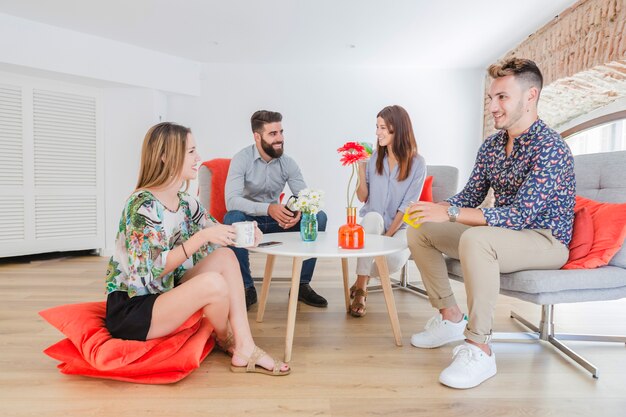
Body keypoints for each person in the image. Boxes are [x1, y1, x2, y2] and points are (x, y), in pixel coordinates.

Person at [406, 58, 575, 389]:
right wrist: (435, 208)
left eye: (502, 98)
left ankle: (480, 347)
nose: (493, 107)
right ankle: (451, 318)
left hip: (545, 240)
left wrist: (452, 215)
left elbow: (519, 216)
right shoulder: (492, 146)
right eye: (491, 98)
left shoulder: (551, 148)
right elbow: (468, 196)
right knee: (421, 229)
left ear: (531, 96)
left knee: (476, 240)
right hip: (503, 234)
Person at [104, 122, 290, 376]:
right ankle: (228, 340)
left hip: (164, 292)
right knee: (213, 284)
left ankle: (245, 345)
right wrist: (201, 237)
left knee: (225, 256)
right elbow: (149, 274)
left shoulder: (184, 202)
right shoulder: (141, 206)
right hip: (134, 308)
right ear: (166, 157)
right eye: (191, 152)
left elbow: (218, 231)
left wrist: (247, 235)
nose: (198, 158)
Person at [224, 110, 328, 310]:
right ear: (257, 136)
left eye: (281, 132)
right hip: (250, 221)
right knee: (232, 217)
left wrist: (297, 213)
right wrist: (268, 208)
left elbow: (303, 197)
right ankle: (246, 287)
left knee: (319, 217)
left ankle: (301, 285)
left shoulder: (288, 163)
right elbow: (232, 201)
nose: (280, 138)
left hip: (277, 221)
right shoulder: (241, 159)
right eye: (273, 134)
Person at [348, 105, 427, 317]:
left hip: (400, 226)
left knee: (393, 261)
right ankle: (361, 289)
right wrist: (361, 169)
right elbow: (363, 197)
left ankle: (358, 279)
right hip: (373, 223)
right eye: (377, 127)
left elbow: (407, 207)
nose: (377, 132)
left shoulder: (418, 164)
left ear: (398, 129)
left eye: (383, 127)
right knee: (372, 218)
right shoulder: (374, 158)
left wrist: (388, 237)